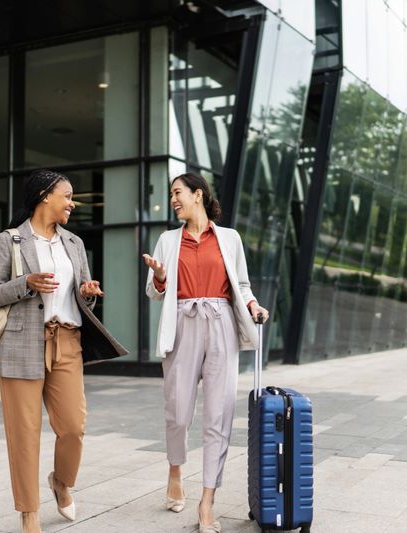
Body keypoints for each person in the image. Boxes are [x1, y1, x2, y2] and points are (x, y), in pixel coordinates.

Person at [143, 173, 269, 533]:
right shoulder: (168, 240)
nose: (173, 200)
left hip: (221, 325)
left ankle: (207, 501)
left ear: (198, 195)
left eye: (177, 193)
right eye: (171, 195)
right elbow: (154, 292)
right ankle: (175, 469)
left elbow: (241, 284)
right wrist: (160, 277)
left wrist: (253, 304)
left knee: (219, 415)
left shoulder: (228, 238)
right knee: (178, 412)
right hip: (183, 324)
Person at [0, 169, 111, 533]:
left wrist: (86, 292)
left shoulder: (73, 243)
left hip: (67, 341)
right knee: (23, 434)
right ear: (44, 196)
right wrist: (26, 283)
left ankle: (61, 481)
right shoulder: (10, 241)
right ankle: (29, 512)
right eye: (67, 195)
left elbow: (80, 294)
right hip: (22, 343)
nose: (72, 203)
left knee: (73, 426)